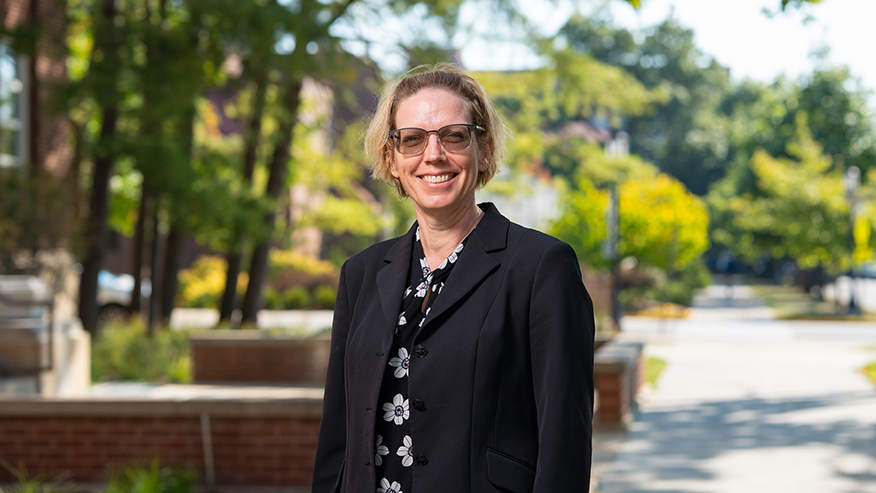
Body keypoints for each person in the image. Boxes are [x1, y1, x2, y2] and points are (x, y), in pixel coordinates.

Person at [312, 63, 595, 493]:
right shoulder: (361, 274)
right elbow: (337, 437)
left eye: (453, 135)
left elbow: (565, 443)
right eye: (412, 139)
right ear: (392, 158)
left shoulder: (541, 268)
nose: (433, 155)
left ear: (483, 148)